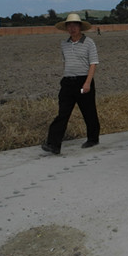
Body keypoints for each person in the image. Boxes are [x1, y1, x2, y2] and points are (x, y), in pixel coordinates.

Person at [42, 13, 100, 155]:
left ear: (80, 27)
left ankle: (93, 138)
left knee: (88, 111)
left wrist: (87, 83)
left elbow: (93, 64)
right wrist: (66, 78)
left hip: (83, 82)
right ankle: (53, 144)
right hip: (68, 83)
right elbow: (66, 62)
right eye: (69, 26)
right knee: (63, 113)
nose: (72, 28)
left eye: (75, 25)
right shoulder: (64, 44)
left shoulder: (89, 43)